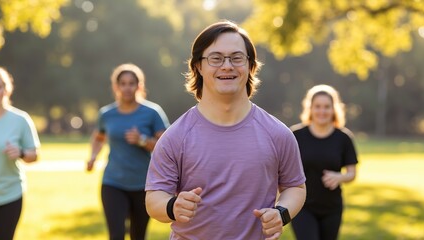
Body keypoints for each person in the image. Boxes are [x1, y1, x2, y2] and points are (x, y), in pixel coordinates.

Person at [145, 20, 306, 240]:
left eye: (237, 58)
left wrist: (281, 213)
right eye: (216, 58)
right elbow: (154, 197)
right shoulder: (176, 136)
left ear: (250, 66)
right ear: (198, 67)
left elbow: (295, 186)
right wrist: (173, 206)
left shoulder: (278, 133)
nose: (227, 66)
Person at [86, 63, 170, 240]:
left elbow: (167, 146)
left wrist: (142, 140)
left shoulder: (152, 112)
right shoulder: (106, 114)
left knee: (137, 236)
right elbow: (98, 137)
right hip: (113, 182)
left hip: (143, 184)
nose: (127, 87)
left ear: (139, 86)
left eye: (131, 83)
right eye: (122, 83)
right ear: (116, 87)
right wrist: (93, 156)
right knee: (116, 235)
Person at [290, 84, 358, 240]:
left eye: (327, 107)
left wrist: (339, 177)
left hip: (332, 208)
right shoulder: (295, 135)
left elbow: (352, 173)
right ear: (310, 109)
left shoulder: (343, 138)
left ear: (334, 109)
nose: (322, 111)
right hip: (302, 206)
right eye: (318, 106)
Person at [0, 65, 40, 240]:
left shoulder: (20, 120)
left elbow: (34, 154)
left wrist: (21, 152)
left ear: (6, 90)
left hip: (9, 195)